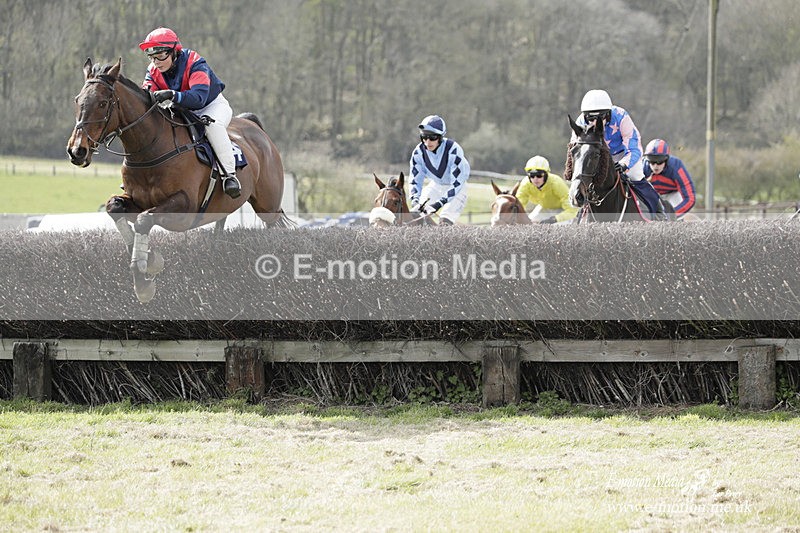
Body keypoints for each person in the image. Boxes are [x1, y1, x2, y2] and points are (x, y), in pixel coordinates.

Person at [138, 27, 241, 198]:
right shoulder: (153, 70)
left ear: (174, 51)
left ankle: (229, 175)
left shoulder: (195, 62)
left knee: (213, 127)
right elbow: (146, 94)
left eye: (160, 55)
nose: (156, 61)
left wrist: (171, 94)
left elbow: (198, 98)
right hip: (182, 109)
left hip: (211, 106)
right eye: (151, 56)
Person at [572, 89, 665, 218]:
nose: (594, 122)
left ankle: (659, 212)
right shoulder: (581, 122)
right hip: (597, 157)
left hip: (623, 154)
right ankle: (578, 217)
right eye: (590, 117)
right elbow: (577, 151)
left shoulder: (621, 117)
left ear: (608, 114)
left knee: (636, 175)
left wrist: (624, 164)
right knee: (584, 180)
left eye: (600, 117)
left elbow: (634, 147)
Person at [409, 115, 471, 225]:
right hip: (435, 186)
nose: (428, 142)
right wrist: (415, 200)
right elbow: (415, 180)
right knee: (416, 215)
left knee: (444, 221)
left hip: (457, 188)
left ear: (441, 137)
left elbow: (457, 183)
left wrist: (439, 203)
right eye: (424, 137)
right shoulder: (418, 152)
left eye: (432, 137)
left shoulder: (454, 150)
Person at [643, 139, 696, 218]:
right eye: (652, 162)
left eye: (659, 162)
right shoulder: (642, 168)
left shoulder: (676, 167)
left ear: (666, 160)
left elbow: (690, 198)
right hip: (653, 194)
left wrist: (673, 215)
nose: (655, 166)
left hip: (673, 195)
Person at [515, 156, 577, 224]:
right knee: (528, 224)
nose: (535, 179)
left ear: (546, 174)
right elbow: (519, 204)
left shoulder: (556, 183)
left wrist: (553, 219)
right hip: (544, 208)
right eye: (532, 175)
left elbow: (572, 211)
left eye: (539, 175)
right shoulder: (525, 183)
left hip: (563, 210)